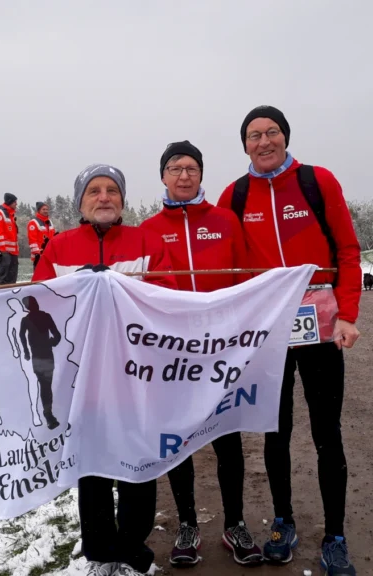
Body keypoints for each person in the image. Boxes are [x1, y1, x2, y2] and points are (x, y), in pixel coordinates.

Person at [216, 105, 362, 575]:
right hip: (269, 331)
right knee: (275, 432)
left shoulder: (317, 182)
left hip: (322, 328)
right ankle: (283, 522)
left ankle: (335, 536)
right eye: (254, 135)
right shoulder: (235, 195)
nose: (264, 141)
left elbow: (348, 250)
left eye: (272, 132)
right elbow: (224, 265)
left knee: (327, 433)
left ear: (285, 136)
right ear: (244, 145)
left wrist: (348, 315)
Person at [32, 163, 175, 576]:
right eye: (94, 190)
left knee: (137, 465)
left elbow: (169, 297)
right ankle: (99, 553)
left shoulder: (145, 241)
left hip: (135, 378)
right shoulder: (59, 248)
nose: (104, 197)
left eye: (112, 190)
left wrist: (120, 286)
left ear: (122, 200)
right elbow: (38, 301)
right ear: (81, 202)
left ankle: (131, 552)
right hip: (84, 383)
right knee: (91, 468)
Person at [139, 141, 262, 567]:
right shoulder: (148, 229)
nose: (184, 175)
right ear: (163, 176)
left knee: (227, 438)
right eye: (175, 168)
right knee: (179, 441)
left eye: (191, 168)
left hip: (221, 350)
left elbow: (247, 278)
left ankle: (235, 523)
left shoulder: (226, 221)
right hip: (175, 354)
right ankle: (188, 525)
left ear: (201, 174)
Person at [18, 294, 61, 430]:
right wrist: (50, 343)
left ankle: (48, 414)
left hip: (39, 356)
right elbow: (57, 336)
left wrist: (26, 351)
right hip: (45, 355)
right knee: (46, 386)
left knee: (45, 385)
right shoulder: (44, 317)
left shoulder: (27, 320)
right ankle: (48, 414)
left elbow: (21, 336)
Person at [0, 193, 20, 285]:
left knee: (12, 277)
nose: (16, 204)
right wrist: (2, 250)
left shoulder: (11, 214)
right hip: (4, 251)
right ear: (10, 202)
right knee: (4, 277)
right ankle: (2, 293)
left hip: (12, 252)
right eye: (15, 202)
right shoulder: (0, 213)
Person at [27, 201, 58, 270]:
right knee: (39, 275)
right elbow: (32, 240)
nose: (46, 211)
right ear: (39, 210)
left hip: (49, 256)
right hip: (39, 256)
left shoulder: (50, 222)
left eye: (47, 209)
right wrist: (37, 254)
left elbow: (52, 238)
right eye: (43, 209)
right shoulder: (33, 223)